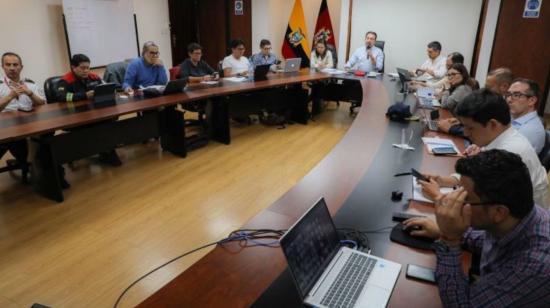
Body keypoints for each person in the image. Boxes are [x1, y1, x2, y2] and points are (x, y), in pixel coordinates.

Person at [404, 149, 550, 307]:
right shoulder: (513, 217)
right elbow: (487, 240)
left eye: (466, 198)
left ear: (499, 212)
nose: (456, 201)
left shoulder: (535, 266)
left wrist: (449, 239)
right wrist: (443, 230)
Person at [419, 89, 549, 208]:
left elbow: (484, 211)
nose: (465, 133)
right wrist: (444, 180)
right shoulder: (502, 135)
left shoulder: (508, 153)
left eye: (470, 128)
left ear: (492, 124)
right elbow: (479, 176)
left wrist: (438, 197)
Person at [56, 54, 122, 168]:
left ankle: (107, 151)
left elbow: (106, 87)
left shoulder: (94, 77)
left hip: (94, 112)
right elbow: (62, 97)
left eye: (88, 67)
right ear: (73, 67)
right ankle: (102, 151)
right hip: (75, 115)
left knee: (108, 121)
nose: (86, 70)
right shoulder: (65, 81)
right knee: (99, 126)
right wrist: (84, 95)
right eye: (82, 68)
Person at [0, 52, 45, 173]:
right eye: (8, 65)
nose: (12, 68)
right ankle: (28, 163)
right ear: (2, 67)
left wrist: (30, 93)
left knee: (47, 137)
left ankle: (38, 165)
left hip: (29, 125)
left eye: (15, 64)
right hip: (5, 128)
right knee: (16, 142)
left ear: (21, 67)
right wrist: (10, 96)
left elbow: (42, 104)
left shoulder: (31, 84)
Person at [506, 78, 545, 154]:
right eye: (508, 94)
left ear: (532, 101)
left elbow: (506, 160)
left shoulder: (530, 130)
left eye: (516, 95)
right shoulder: (513, 117)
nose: (509, 100)